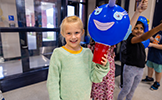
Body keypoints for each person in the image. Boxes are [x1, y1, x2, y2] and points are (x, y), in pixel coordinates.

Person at [46, 16, 110, 100]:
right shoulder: (58, 54)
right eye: (69, 33)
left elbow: (94, 77)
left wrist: (102, 67)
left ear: (82, 32)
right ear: (63, 33)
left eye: (76, 32)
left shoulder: (87, 53)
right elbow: (52, 82)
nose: (73, 37)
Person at [117, 8, 162, 100]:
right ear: (131, 30)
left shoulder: (142, 42)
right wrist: (159, 28)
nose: (139, 30)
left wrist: (153, 43)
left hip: (140, 69)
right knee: (126, 89)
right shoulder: (131, 39)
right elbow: (143, 37)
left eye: (141, 28)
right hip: (130, 69)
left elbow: (147, 41)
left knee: (133, 90)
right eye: (136, 28)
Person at [142, 20, 162, 90]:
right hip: (152, 54)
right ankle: (149, 78)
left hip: (159, 57)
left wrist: (152, 45)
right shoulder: (159, 32)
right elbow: (156, 41)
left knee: (158, 70)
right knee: (149, 66)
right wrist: (151, 38)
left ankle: (157, 82)